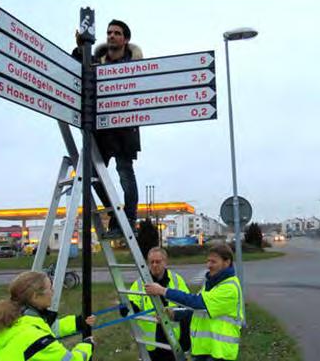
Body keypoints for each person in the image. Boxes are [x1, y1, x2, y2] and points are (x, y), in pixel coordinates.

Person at [73, 19, 142, 237]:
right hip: (100, 134)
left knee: (126, 177)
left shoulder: (135, 66)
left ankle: (129, 220)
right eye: (109, 32)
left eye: (117, 33)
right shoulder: (96, 62)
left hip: (124, 133)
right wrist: (81, 47)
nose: (111, 36)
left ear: (126, 39)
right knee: (91, 176)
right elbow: (77, 65)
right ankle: (115, 215)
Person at [145, 244, 244, 361]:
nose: (208, 266)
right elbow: (198, 311)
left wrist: (163, 291)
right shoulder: (212, 284)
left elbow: (197, 302)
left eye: (213, 262)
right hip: (205, 350)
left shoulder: (229, 287)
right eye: (208, 261)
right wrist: (175, 314)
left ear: (227, 262)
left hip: (220, 353)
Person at [0, 271, 95, 361]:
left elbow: (49, 328)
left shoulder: (15, 320)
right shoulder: (35, 338)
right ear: (35, 296)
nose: (53, 292)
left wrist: (78, 322)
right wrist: (87, 345)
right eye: (49, 289)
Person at [126, 247, 191, 361]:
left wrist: (174, 314)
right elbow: (130, 305)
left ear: (165, 262)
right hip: (152, 344)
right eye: (152, 262)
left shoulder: (177, 280)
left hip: (174, 340)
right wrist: (127, 308)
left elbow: (187, 307)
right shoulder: (140, 283)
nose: (155, 265)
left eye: (158, 261)